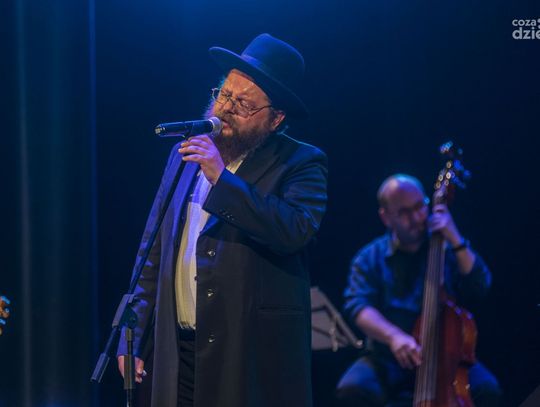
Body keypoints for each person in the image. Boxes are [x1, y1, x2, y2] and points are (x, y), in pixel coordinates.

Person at [116, 33, 328, 407]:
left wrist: (222, 179)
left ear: (275, 118)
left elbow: (295, 230)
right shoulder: (185, 153)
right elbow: (153, 252)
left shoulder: (300, 162)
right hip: (179, 348)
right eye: (224, 95)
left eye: (243, 104)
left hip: (247, 356)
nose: (226, 109)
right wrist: (131, 335)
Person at [336, 174, 501, 406]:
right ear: (385, 217)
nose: (416, 218)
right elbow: (358, 307)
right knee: (352, 390)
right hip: (389, 357)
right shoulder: (369, 258)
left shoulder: (446, 247)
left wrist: (455, 238)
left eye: (420, 207)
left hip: (447, 355)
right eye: (404, 212)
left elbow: (480, 284)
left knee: (487, 390)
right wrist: (394, 336)